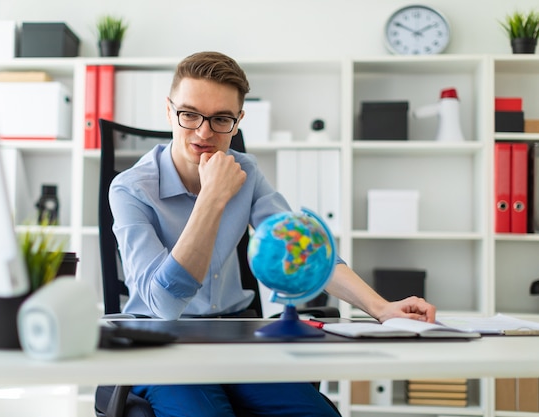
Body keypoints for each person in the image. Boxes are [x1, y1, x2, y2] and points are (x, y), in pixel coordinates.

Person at [107, 51, 436, 417]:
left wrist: (382, 308)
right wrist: (212, 197)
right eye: (189, 114)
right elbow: (164, 306)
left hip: (236, 339)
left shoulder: (245, 172)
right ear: (169, 111)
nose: (203, 132)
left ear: (238, 122)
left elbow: (304, 249)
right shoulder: (130, 189)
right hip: (161, 343)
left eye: (221, 119)